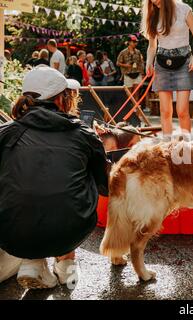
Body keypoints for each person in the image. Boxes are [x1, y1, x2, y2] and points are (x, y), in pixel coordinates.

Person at [0, 66, 109, 289]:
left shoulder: (6, 133)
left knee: (19, 180)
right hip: (69, 230)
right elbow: (105, 186)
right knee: (79, 178)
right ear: (62, 99)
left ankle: (33, 261)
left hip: (11, 232)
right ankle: (66, 264)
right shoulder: (84, 134)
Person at [143, 0, 193, 141]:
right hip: (162, 65)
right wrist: (148, 62)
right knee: (165, 111)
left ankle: (187, 148)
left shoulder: (184, 9)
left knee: (182, 110)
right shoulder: (153, 14)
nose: (154, 1)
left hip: (184, 64)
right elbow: (152, 46)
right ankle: (167, 148)